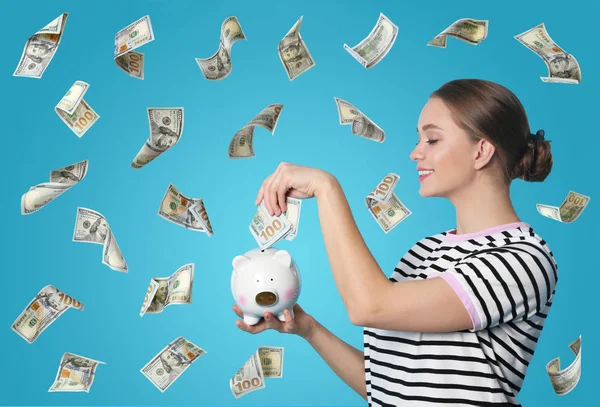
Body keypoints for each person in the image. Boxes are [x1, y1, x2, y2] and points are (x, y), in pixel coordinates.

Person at [232, 79, 558, 406]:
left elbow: (369, 305)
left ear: (481, 151)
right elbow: (390, 387)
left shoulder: (523, 259)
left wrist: (325, 186)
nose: (416, 152)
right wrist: (310, 330)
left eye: (432, 139)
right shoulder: (424, 253)